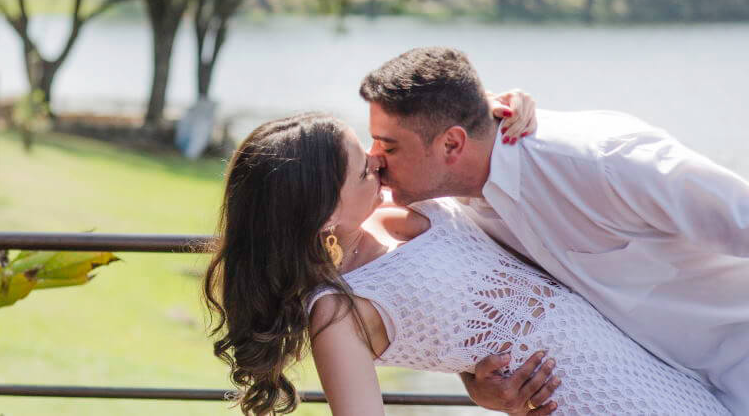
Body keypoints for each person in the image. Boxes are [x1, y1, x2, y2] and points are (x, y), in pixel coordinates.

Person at [202, 112, 731, 415]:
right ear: (324, 217)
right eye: (364, 168)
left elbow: (453, 136)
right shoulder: (338, 314)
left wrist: (507, 111)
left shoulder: (399, 204)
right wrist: (476, 386)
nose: (379, 160)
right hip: (588, 403)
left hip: (657, 373)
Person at [359, 46, 749, 414]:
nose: (373, 159)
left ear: (452, 144)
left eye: (388, 147)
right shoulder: (446, 209)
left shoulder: (605, 161)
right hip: (667, 394)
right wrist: (477, 383)